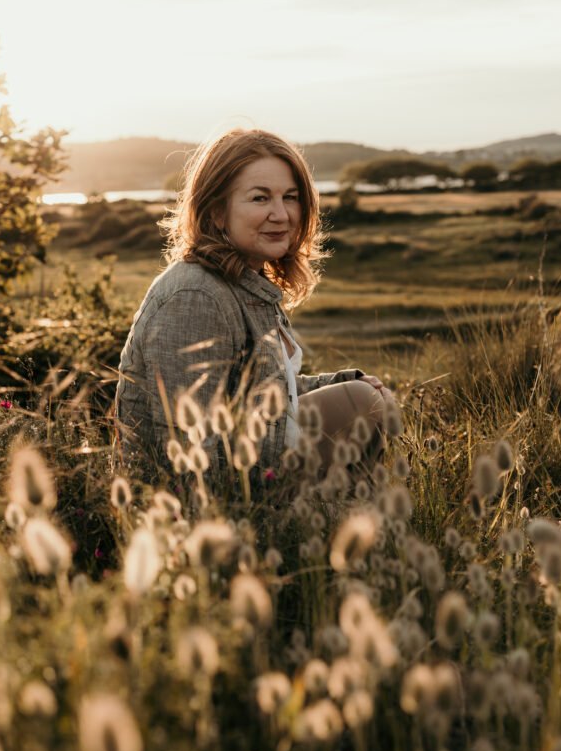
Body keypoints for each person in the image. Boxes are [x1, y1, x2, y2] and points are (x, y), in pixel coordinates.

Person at [114, 128, 398, 485]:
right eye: (260, 199)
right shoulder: (195, 298)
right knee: (360, 403)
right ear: (217, 211)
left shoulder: (242, 281)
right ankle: (322, 525)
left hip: (257, 457)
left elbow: (268, 392)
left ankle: (348, 521)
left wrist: (344, 382)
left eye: (290, 197)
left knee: (365, 399)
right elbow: (188, 454)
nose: (281, 214)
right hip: (211, 501)